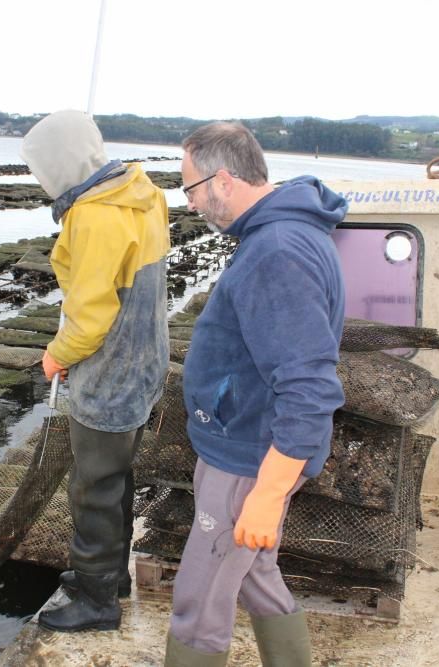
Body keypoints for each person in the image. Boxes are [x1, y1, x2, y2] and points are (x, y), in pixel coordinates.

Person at [165, 122, 347, 666]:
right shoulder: (283, 233)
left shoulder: (276, 251)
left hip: (251, 456)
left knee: (198, 600)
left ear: (223, 180)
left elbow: (310, 385)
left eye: (191, 188)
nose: (192, 204)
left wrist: (267, 495)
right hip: (239, 445)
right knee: (255, 570)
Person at [19, 110, 170, 633]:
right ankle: (109, 576)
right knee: (115, 478)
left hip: (110, 373)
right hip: (145, 360)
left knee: (93, 486)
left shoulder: (94, 215)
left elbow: (89, 316)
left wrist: (56, 355)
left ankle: (96, 600)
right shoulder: (141, 194)